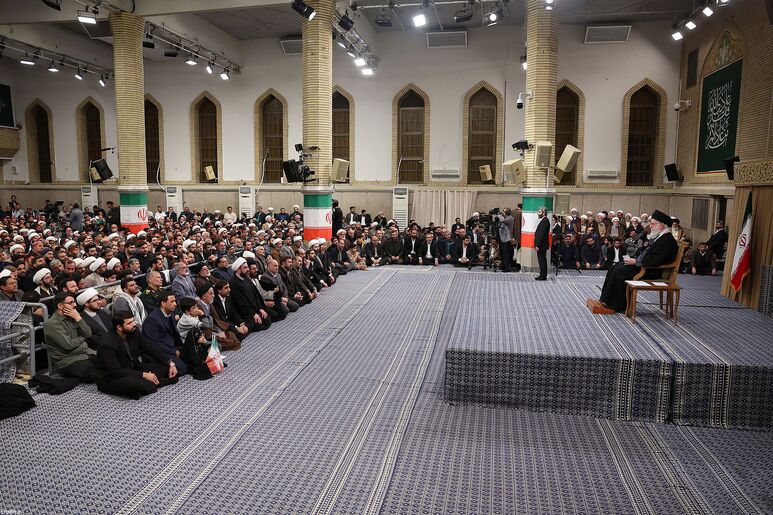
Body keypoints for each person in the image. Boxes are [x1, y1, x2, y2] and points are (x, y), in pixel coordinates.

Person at [599, 210, 679, 312]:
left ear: (662, 225)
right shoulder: (660, 236)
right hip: (646, 266)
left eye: (653, 224)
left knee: (619, 271)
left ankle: (616, 305)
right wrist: (636, 260)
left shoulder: (667, 240)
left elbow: (658, 259)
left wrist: (637, 262)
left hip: (652, 270)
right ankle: (605, 300)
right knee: (615, 266)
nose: (650, 226)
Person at [92, 311, 179, 399]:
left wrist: (170, 363)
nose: (134, 324)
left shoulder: (133, 331)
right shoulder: (107, 344)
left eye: (133, 321)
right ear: (119, 327)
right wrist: (145, 375)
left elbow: (150, 348)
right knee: (145, 385)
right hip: (111, 378)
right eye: (130, 323)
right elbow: (117, 371)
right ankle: (147, 384)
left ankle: (138, 388)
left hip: (132, 368)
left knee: (167, 367)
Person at [43, 292, 96, 382]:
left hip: (85, 353)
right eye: (71, 303)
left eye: (74, 302)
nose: (75, 305)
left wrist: (78, 318)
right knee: (95, 371)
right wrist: (83, 337)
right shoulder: (52, 324)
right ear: (60, 306)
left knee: (109, 363)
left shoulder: (73, 317)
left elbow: (88, 333)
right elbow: (69, 345)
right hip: (68, 361)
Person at [141, 291, 187, 375]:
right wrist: (174, 351)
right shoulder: (152, 320)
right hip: (160, 352)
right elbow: (154, 344)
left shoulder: (170, 313)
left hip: (172, 347)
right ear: (163, 303)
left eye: (175, 301)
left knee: (192, 356)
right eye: (172, 301)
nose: (175, 304)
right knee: (182, 368)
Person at [534, 206, 550, 280]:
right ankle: (542, 275)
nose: (538, 213)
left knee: (542, 260)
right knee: (542, 260)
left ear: (544, 213)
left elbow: (541, 234)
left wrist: (538, 245)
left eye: (539, 212)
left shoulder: (544, 221)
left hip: (542, 245)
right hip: (542, 244)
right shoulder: (544, 220)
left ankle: (543, 275)